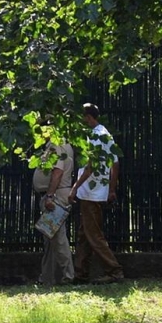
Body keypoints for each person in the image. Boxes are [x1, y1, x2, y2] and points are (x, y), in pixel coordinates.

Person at [69, 103, 124, 284]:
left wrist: (75, 187)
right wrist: (111, 189)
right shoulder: (105, 134)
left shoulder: (95, 137)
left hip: (90, 193)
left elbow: (90, 167)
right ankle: (80, 273)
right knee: (84, 235)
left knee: (93, 235)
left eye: (81, 117)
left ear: (88, 117)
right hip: (98, 192)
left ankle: (114, 271)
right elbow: (115, 164)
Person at [32, 135, 75, 285]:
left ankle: (68, 275)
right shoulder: (59, 143)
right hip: (56, 193)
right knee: (50, 239)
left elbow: (58, 172)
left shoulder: (57, 144)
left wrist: (50, 196)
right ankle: (47, 277)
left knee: (57, 237)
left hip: (55, 195)